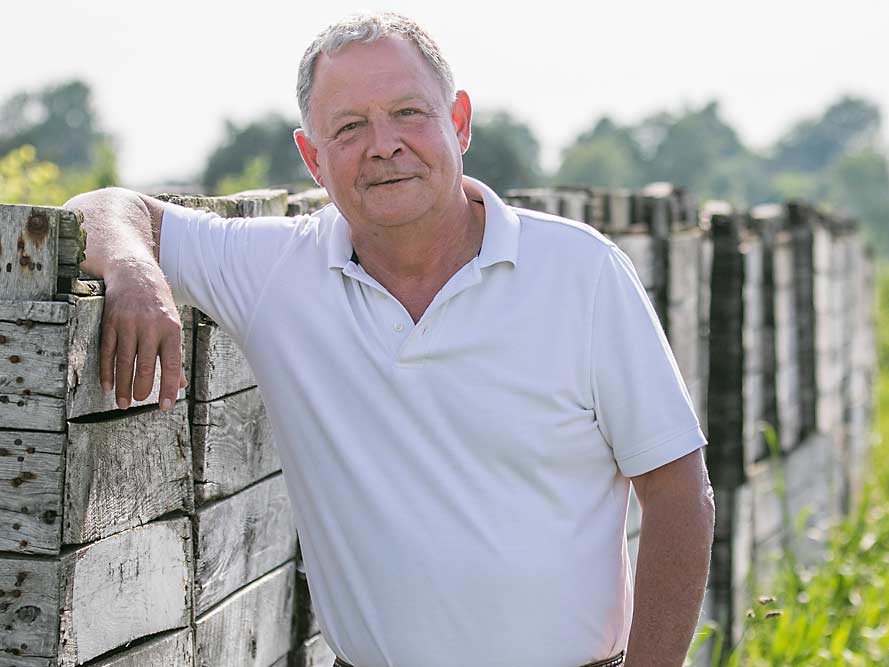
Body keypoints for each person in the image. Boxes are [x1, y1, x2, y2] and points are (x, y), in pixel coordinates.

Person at [65, 12, 714, 667]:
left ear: (459, 120)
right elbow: (101, 208)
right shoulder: (276, 273)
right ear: (313, 157)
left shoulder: (582, 272)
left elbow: (680, 492)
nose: (384, 144)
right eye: (349, 127)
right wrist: (133, 269)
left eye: (408, 112)